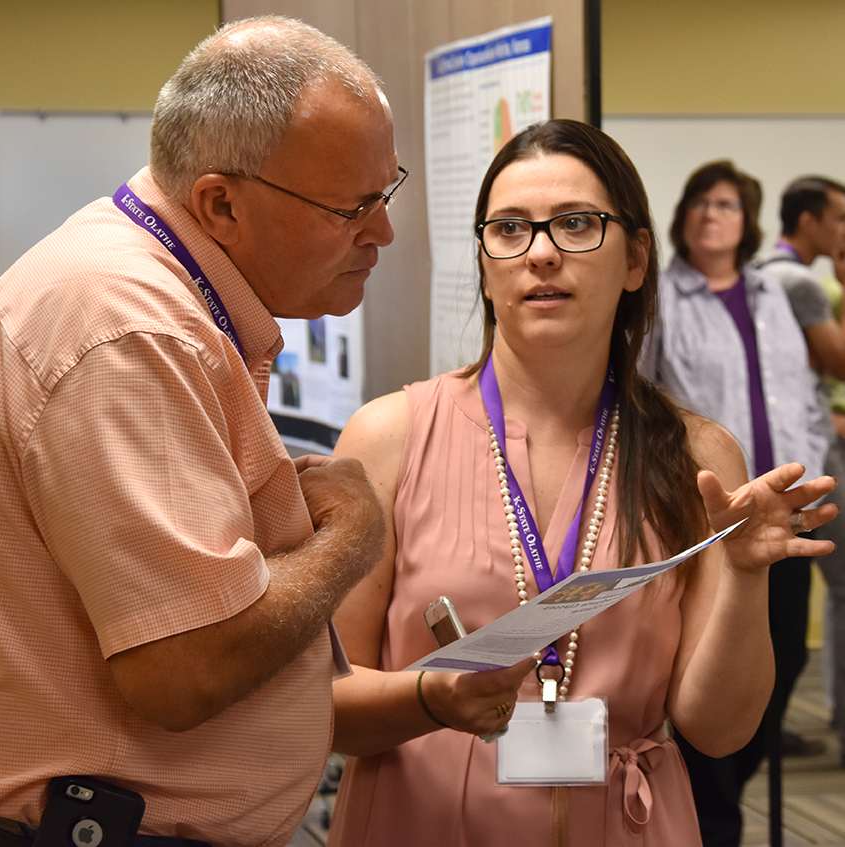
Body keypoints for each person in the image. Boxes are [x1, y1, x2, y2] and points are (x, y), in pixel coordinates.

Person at [325, 120, 838, 847]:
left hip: (630, 821)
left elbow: (718, 732)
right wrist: (429, 695)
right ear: (484, 258)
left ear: (634, 257)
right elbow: (325, 706)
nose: (539, 253)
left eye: (574, 224)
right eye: (509, 229)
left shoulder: (696, 455)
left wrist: (745, 574)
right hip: (426, 816)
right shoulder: (389, 438)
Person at [0, 15, 404, 847]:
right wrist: (351, 539)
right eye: (352, 207)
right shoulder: (129, 327)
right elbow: (184, 669)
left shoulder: (158, 292)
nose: (381, 232)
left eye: (385, 191)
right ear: (219, 203)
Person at [640, 160, 828, 846]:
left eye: (724, 204)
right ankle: (712, 815)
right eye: (697, 202)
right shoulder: (661, 295)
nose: (708, 214)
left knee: (785, 661)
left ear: (746, 221)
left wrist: (808, 456)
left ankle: (719, 787)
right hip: (706, 518)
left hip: (782, 510)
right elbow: (643, 395)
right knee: (708, 667)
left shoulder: (769, 293)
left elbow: (799, 389)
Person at [755, 176, 845, 768]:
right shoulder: (799, 281)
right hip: (810, 462)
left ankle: (768, 727)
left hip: (781, 455)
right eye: (837, 219)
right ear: (808, 221)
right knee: (835, 591)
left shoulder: (760, 272)